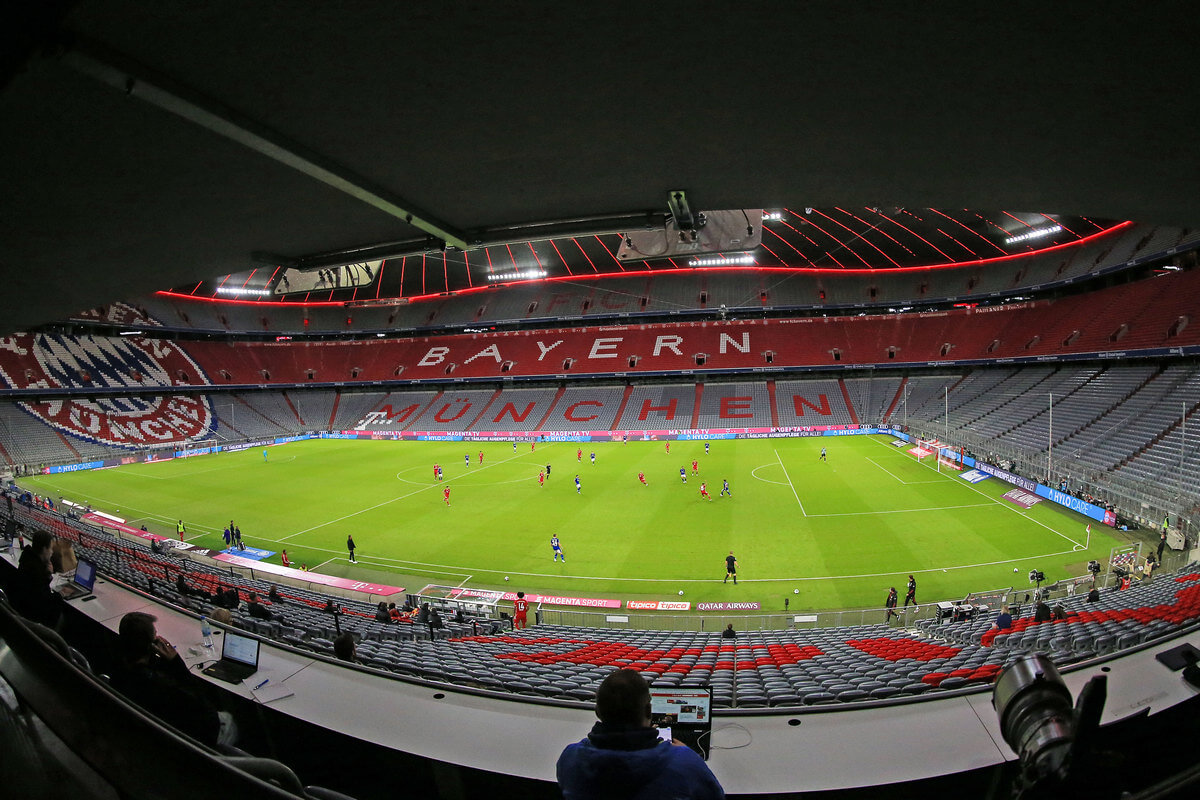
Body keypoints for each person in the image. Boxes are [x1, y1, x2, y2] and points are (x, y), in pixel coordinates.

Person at [556, 668, 724, 800]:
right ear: (649, 712)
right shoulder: (686, 763)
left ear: (598, 711)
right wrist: (688, 753)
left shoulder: (569, 758)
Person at [110, 612, 234, 747]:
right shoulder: (163, 686)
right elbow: (203, 705)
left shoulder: (119, 669)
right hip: (191, 739)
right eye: (155, 635)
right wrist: (176, 663)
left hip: (149, 732)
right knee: (230, 718)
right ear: (151, 646)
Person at [8, 531, 62, 627]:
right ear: (45, 549)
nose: (52, 552)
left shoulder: (26, 558)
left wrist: (47, 575)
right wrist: (60, 595)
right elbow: (43, 599)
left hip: (18, 609)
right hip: (31, 618)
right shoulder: (37, 571)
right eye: (50, 548)